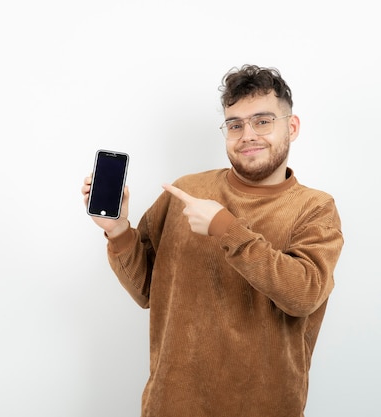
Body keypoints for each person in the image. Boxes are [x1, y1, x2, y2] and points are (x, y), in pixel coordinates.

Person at [81, 65, 344, 417]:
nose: (247, 134)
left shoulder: (315, 208)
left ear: (291, 127)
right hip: (169, 405)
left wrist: (225, 227)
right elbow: (147, 291)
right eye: (235, 124)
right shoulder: (188, 191)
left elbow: (304, 295)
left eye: (262, 121)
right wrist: (118, 230)